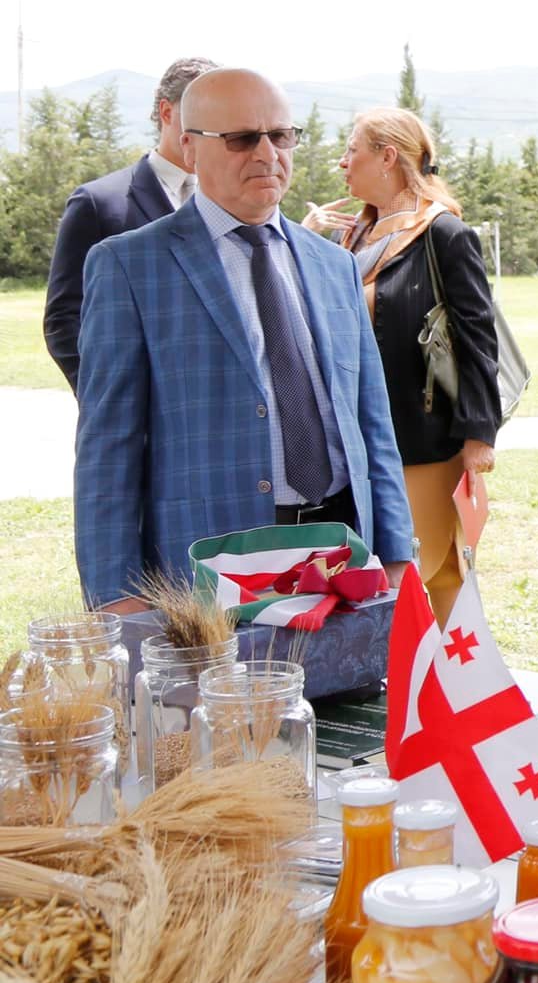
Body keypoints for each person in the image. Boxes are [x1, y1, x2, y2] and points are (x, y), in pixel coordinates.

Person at [72, 69, 413, 609]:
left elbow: (372, 422)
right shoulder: (129, 266)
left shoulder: (334, 265)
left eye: (280, 135)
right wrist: (117, 597)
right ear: (189, 146)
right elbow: (107, 448)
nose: (267, 154)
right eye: (242, 138)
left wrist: (395, 553)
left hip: (343, 554)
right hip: (210, 568)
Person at [302, 108, 499, 624]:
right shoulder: (354, 236)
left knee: (428, 572)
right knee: (374, 574)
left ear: (388, 157)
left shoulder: (443, 233)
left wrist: (479, 435)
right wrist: (303, 238)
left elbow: (478, 337)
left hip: (421, 440)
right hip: (354, 440)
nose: (342, 162)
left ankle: (450, 670)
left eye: (352, 150)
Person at [44, 55, 218, 389]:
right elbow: (64, 319)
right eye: (201, 112)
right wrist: (109, 400)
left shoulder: (229, 202)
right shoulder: (98, 203)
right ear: (166, 112)